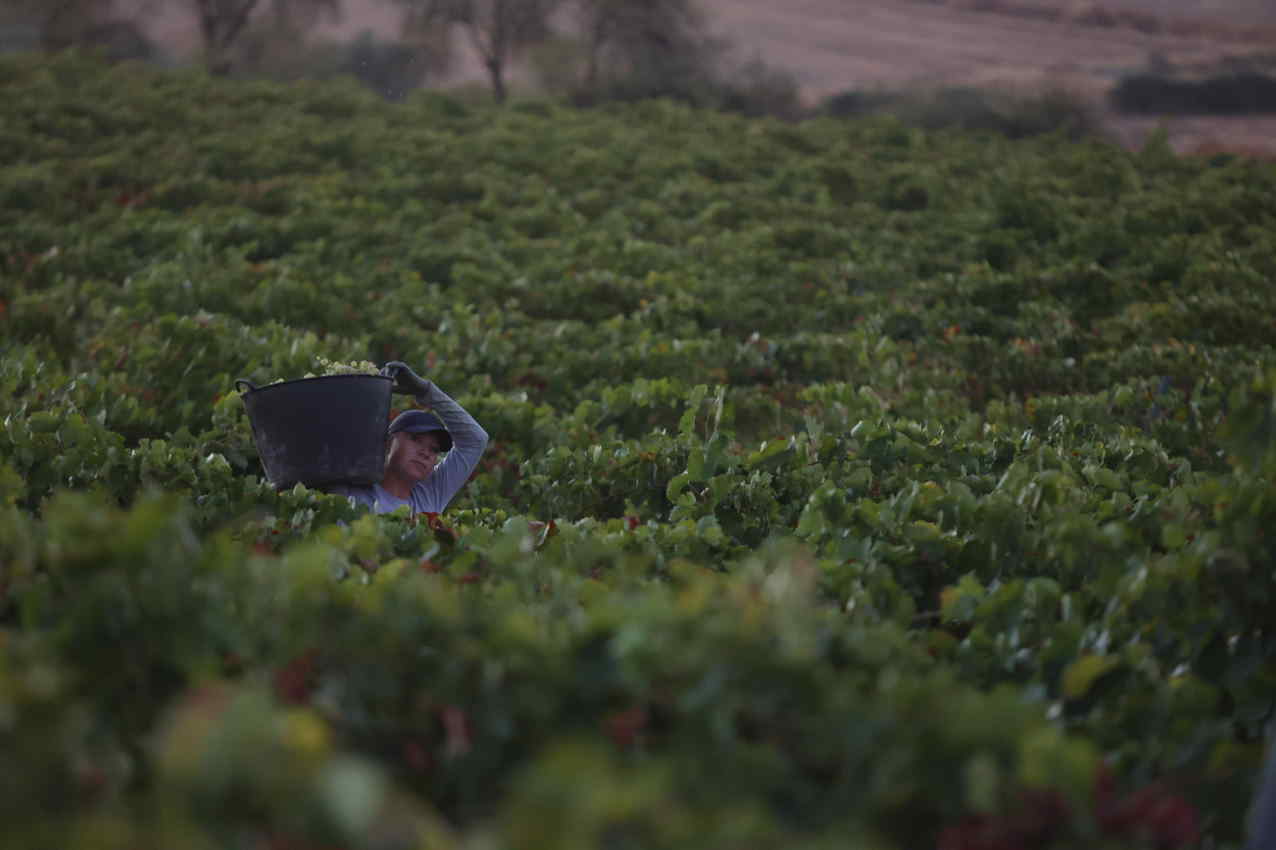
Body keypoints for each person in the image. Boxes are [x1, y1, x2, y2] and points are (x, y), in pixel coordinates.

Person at [329, 361, 488, 515]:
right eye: (416, 439)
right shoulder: (349, 489)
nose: (425, 453)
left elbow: (475, 440)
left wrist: (426, 391)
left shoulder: (430, 496)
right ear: (388, 442)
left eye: (434, 449)